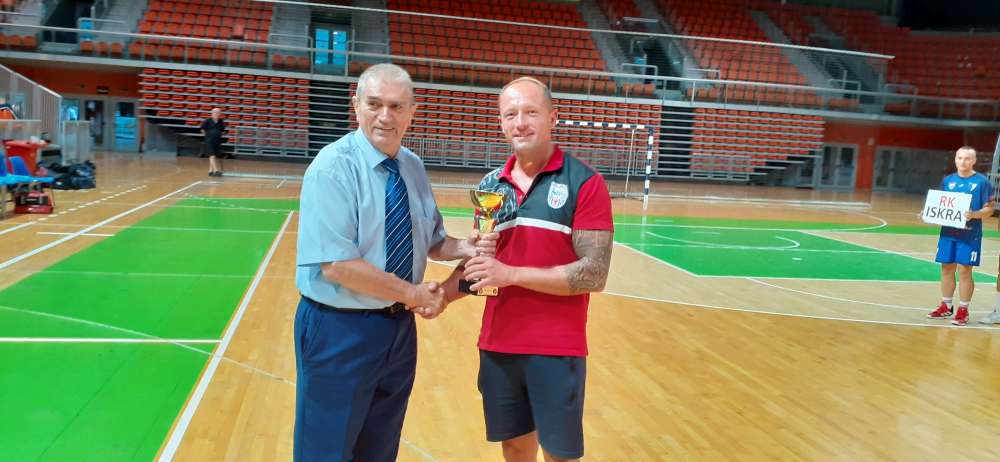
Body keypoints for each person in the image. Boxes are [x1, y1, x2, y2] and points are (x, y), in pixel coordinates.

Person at [294, 63, 495, 462]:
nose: (385, 116)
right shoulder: (332, 167)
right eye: (374, 104)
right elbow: (338, 266)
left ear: (411, 112)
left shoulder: (412, 167)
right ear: (356, 105)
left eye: (396, 106)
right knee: (326, 451)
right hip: (339, 329)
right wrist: (415, 294)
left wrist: (466, 248)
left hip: (398, 331)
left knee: (380, 448)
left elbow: (431, 240)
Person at [440, 77, 614, 462]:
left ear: (553, 117)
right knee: (515, 449)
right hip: (498, 343)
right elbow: (483, 267)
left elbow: (594, 274)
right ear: (501, 123)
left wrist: (511, 274)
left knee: (559, 454)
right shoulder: (491, 185)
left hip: (556, 347)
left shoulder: (585, 182)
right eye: (511, 114)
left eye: (531, 112)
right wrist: (442, 296)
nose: (520, 123)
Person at [927, 146, 994, 326]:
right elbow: (940, 205)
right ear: (955, 159)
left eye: (967, 158)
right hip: (948, 233)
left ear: (974, 161)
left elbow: (990, 209)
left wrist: (974, 214)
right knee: (946, 268)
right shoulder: (948, 181)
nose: (962, 161)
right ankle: (946, 306)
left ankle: (963, 309)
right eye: (959, 158)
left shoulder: (982, 182)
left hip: (970, 235)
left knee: (964, 270)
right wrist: (928, 214)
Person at [200, 108, 225, 177]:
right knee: (212, 155)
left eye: (219, 113)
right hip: (209, 141)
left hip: (217, 141)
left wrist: (219, 134)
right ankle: (216, 171)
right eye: (216, 113)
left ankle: (210, 171)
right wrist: (208, 136)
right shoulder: (207, 121)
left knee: (214, 155)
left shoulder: (220, 121)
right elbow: (202, 130)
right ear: (212, 113)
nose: (217, 114)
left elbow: (222, 130)